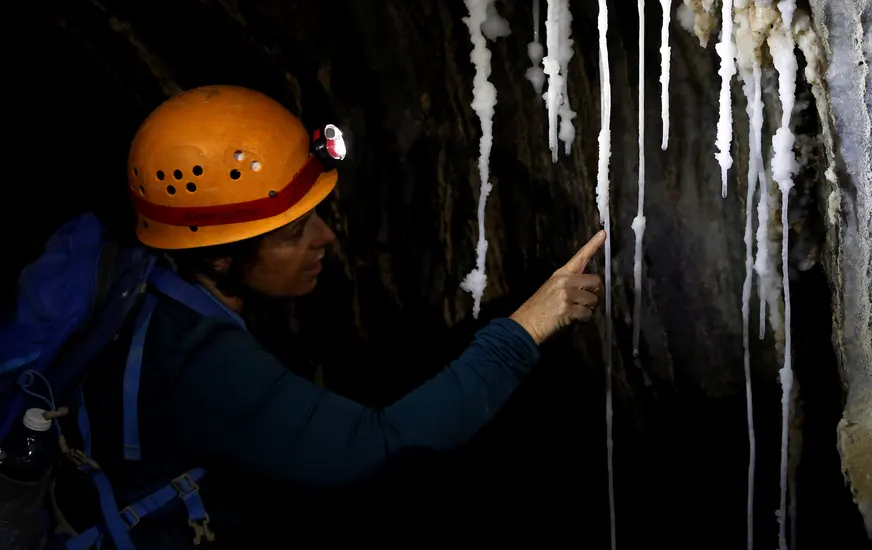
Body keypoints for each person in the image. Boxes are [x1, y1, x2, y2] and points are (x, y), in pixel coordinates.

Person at [52, 85, 605, 548]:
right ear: (222, 255)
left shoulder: (150, 281)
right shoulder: (196, 360)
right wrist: (525, 329)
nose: (326, 238)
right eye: (295, 233)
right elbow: (374, 450)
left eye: (314, 216)